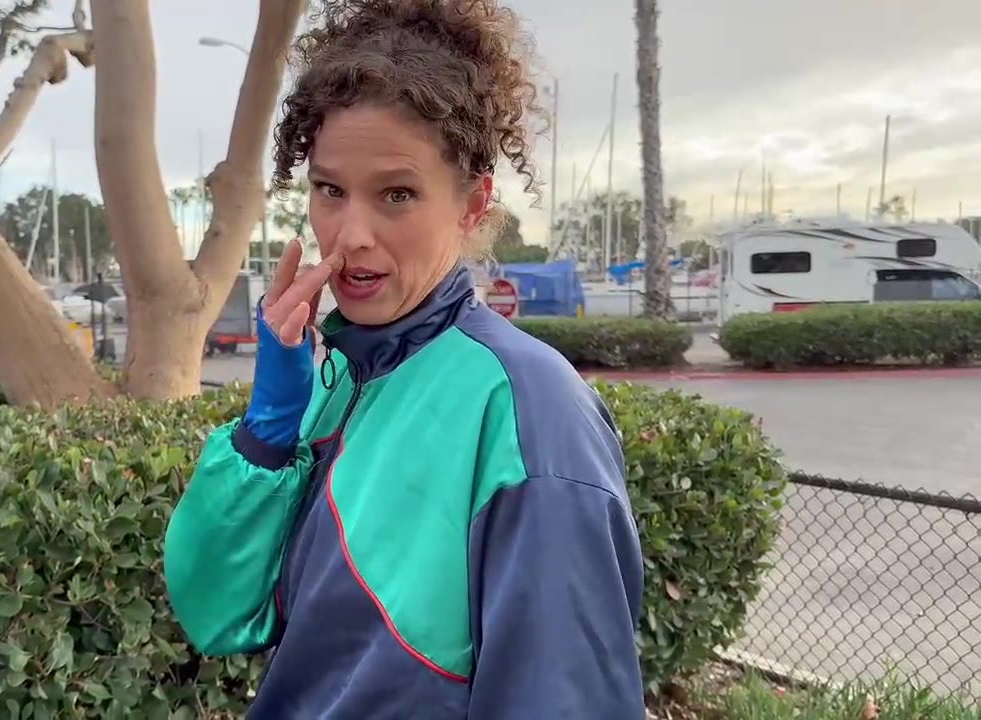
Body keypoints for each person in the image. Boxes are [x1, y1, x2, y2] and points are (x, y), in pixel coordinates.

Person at [163, 1, 645, 717]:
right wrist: (267, 432)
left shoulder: (528, 407)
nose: (350, 234)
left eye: (397, 194)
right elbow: (219, 613)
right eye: (329, 190)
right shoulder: (341, 377)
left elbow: (561, 696)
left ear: (472, 205)